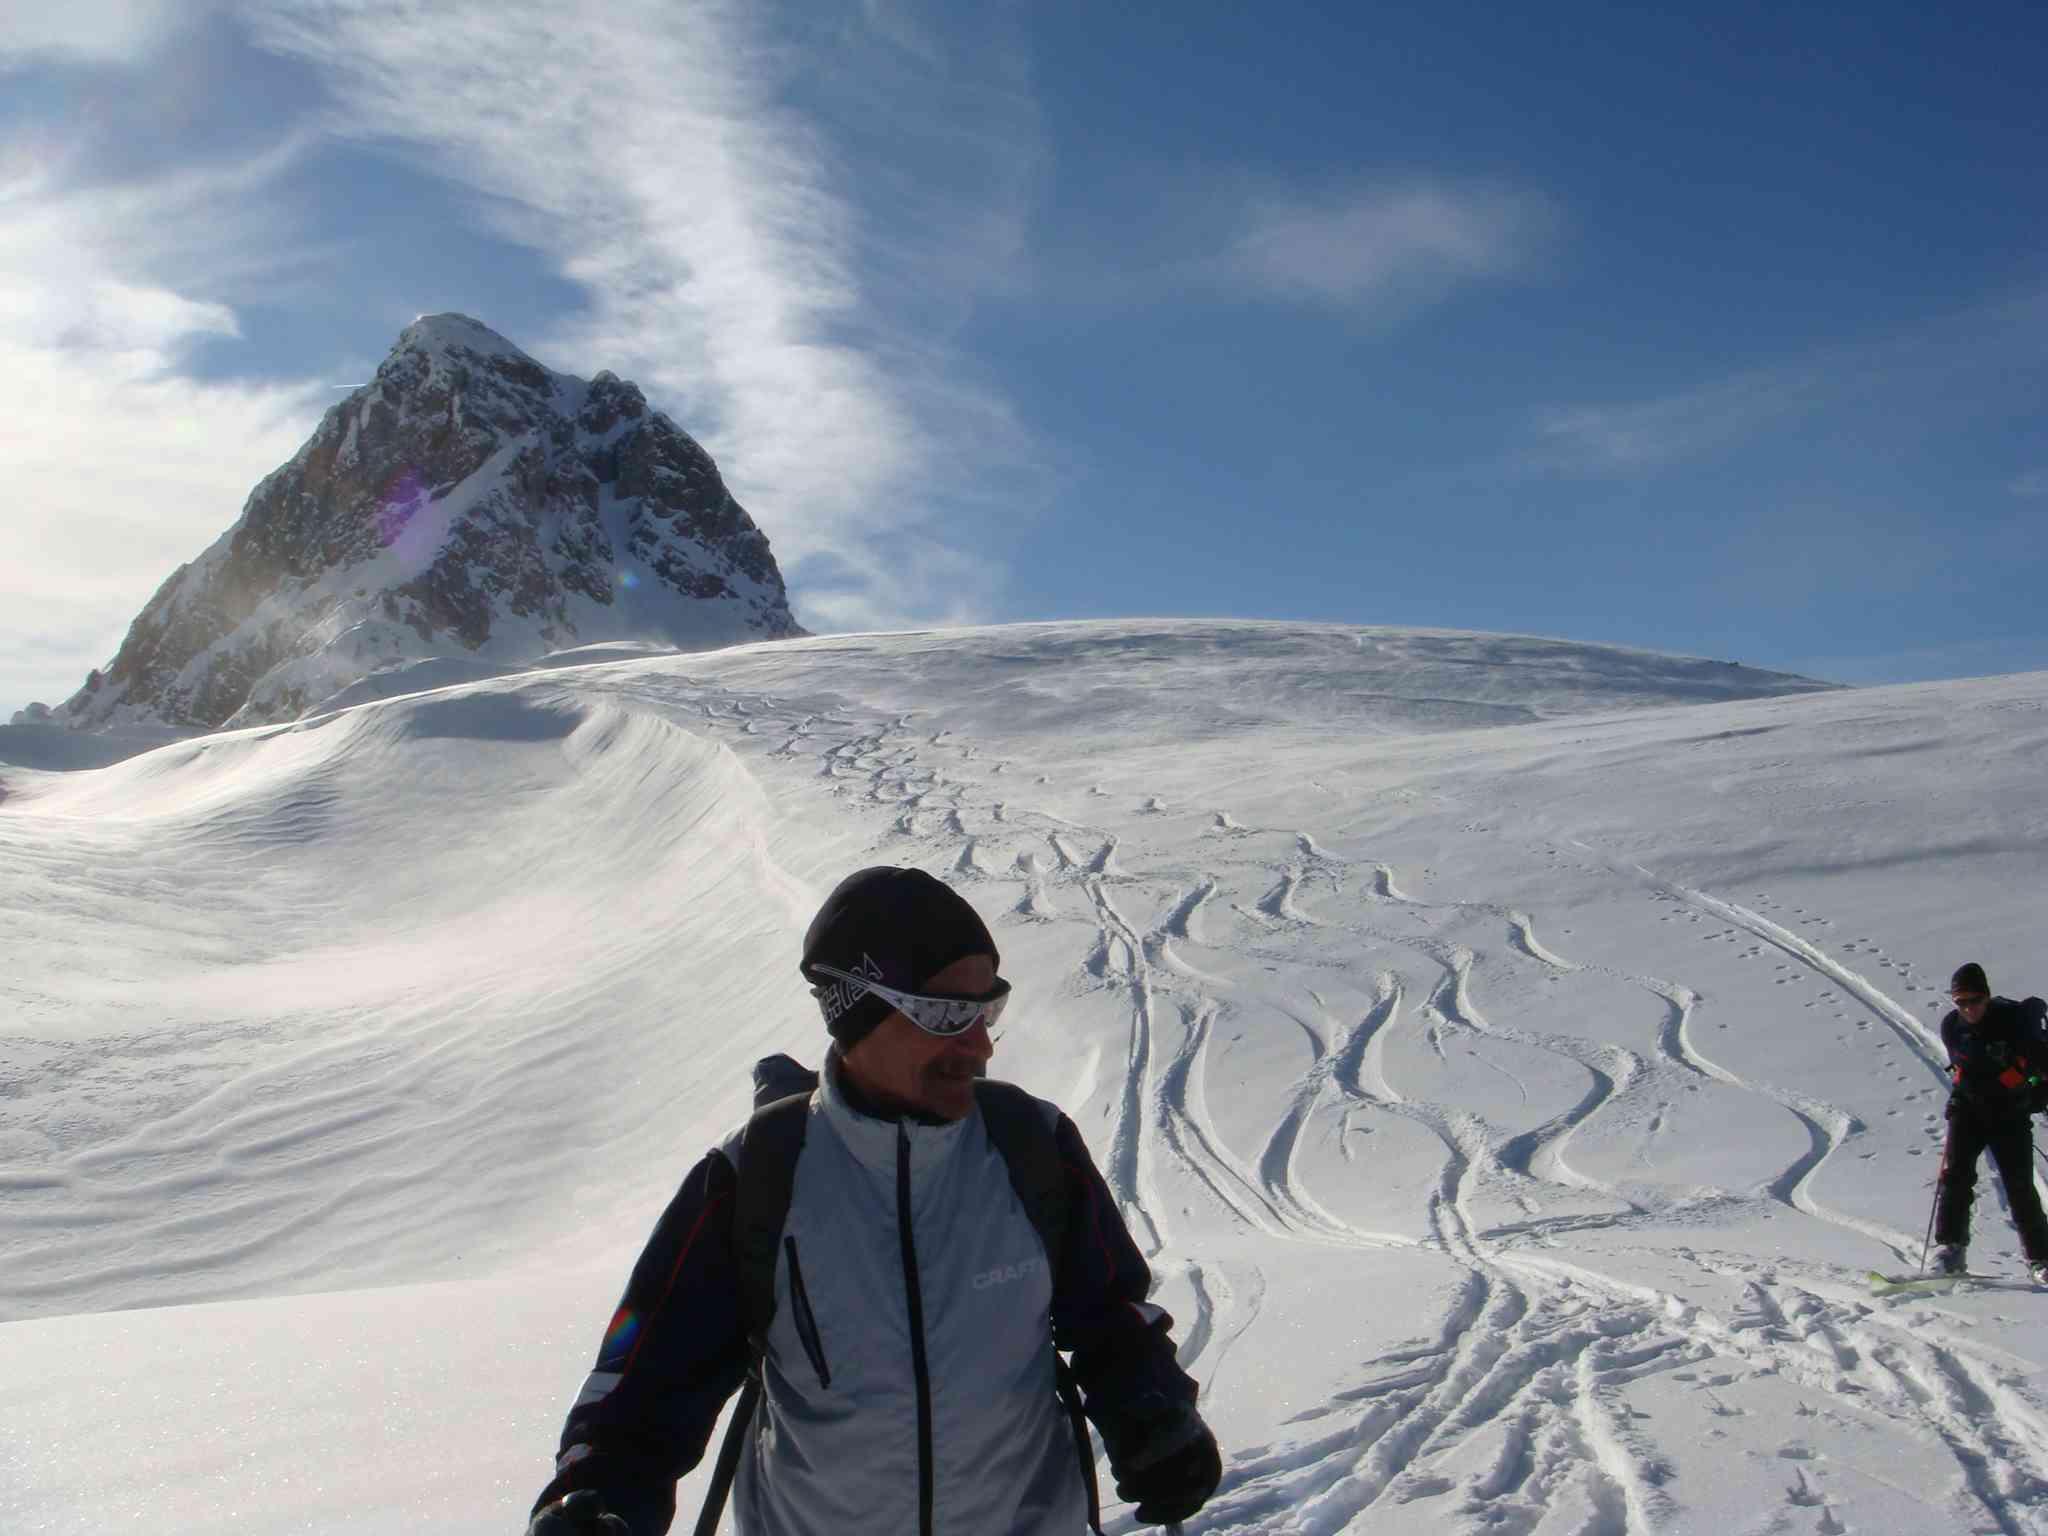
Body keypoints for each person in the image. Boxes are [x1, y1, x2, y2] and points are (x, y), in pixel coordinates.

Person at [525, 865, 1222, 1534]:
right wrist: (598, 1497)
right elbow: (645, 1383)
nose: (979, 1046)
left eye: (987, 1010)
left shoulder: (1031, 1146)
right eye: (946, 1014)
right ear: (855, 1012)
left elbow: (1111, 1317)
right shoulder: (757, 1176)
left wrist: (1153, 1411)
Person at [1930, 962, 2048, 1279]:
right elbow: (1963, 1068)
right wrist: (1959, 1097)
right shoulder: (1951, 1026)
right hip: (1969, 1111)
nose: (1968, 1008)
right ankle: (1951, 1251)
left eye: (1975, 1000)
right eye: (1961, 1002)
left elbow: (2040, 1065)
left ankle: (2040, 1258)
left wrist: (2032, 1091)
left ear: (1987, 996)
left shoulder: (2014, 1023)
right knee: (1955, 1178)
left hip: (2009, 1113)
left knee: (2019, 1186)